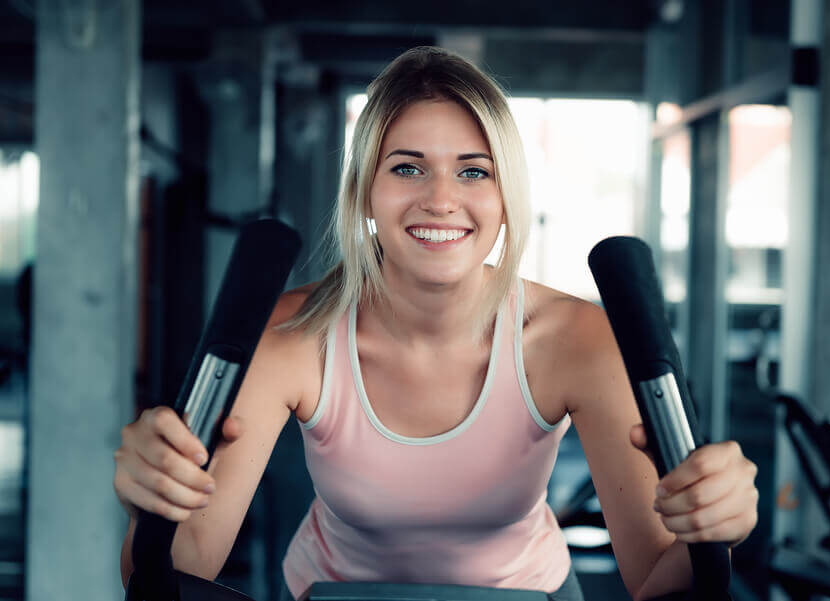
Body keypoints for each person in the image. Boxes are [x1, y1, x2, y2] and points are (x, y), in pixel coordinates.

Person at [114, 46, 759, 601]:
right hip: (337, 596)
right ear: (367, 190)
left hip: (524, 597)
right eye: (407, 167)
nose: (441, 198)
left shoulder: (574, 338)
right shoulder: (296, 333)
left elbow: (659, 577)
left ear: (506, 198)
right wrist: (155, 507)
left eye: (473, 171)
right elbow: (175, 570)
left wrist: (715, 532)